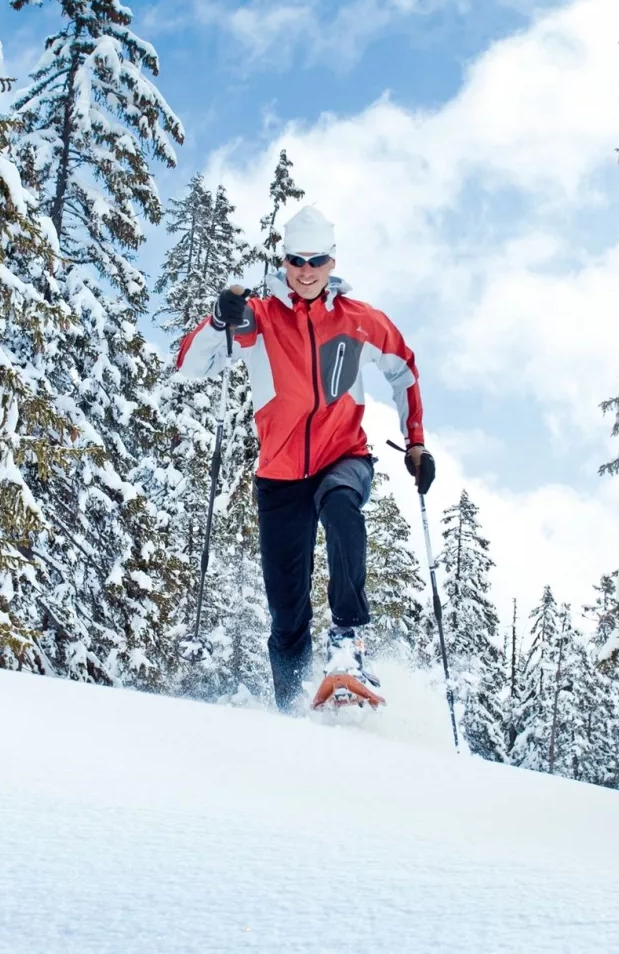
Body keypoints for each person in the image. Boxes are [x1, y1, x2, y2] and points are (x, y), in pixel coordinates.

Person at [175, 205, 434, 709]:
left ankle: (349, 644)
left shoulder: (361, 321)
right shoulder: (260, 318)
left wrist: (416, 439)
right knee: (287, 612)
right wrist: (216, 321)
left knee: (341, 507)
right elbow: (191, 366)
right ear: (285, 261)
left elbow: (404, 368)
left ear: (332, 261)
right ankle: (292, 709)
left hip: (344, 455)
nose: (307, 270)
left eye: (317, 260)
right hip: (280, 474)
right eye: (297, 260)